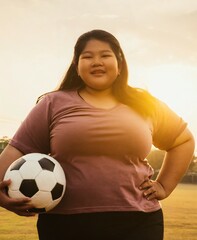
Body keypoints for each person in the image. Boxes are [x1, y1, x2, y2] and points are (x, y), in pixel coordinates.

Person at [0, 29, 195, 240]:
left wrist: (164, 185)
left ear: (119, 63)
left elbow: (182, 141)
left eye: (105, 55)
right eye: (87, 56)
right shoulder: (53, 104)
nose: (97, 62)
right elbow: (17, 149)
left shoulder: (144, 102)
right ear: (77, 65)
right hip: (65, 225)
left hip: (138, 221)